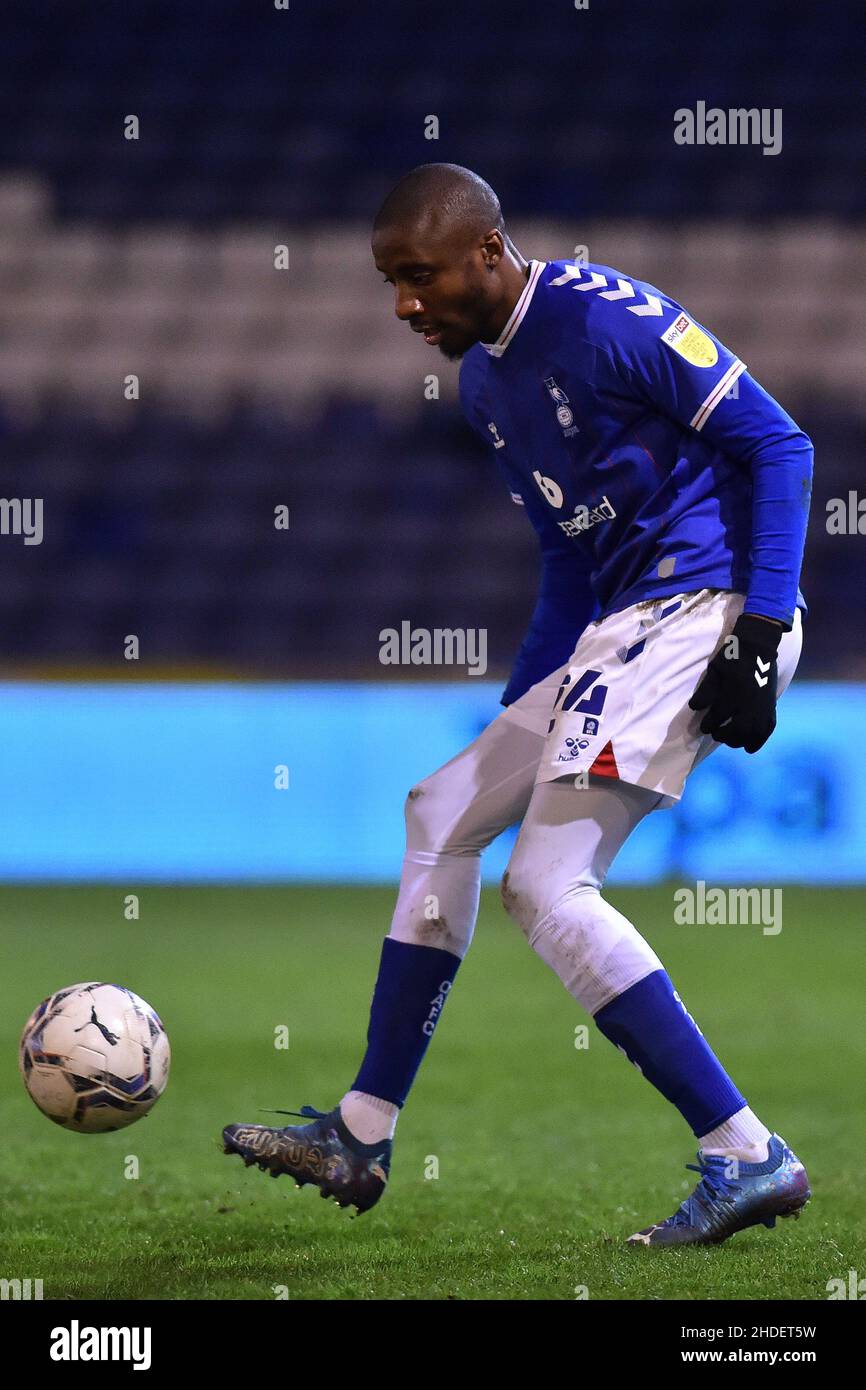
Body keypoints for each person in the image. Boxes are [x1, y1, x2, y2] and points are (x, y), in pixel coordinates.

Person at [224, 163, 813, 1246]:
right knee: (440, 810)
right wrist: (523, 717)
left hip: (704, 605)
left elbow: (779, 442)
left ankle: (746, 1154)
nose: (403, 303)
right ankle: (362, 1129)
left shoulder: (606, 319)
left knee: (545, 884)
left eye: (418, 277)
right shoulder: (486, 386)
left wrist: (762, 630)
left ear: (486, 253)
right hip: (617, 623)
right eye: (388, 283)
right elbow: (565, 559)